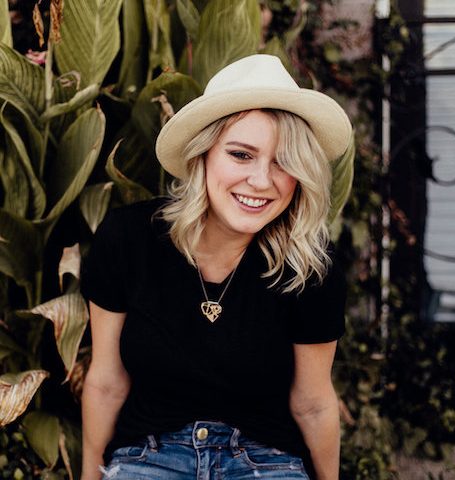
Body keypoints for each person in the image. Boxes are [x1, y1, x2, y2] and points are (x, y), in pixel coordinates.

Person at [80, 54, 353, 480]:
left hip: (265, 463)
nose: (261, 180)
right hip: (148, 459)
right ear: (202, 154)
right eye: (241, 155)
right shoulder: (128, 239)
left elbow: (313, 402)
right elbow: (106, 382)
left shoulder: (309, 267)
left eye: (283, 161)